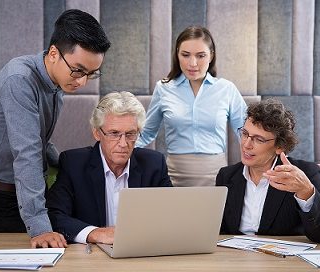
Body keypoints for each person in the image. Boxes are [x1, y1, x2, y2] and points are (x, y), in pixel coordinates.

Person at [0, 9, 111, 248]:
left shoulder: (56, 82)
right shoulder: (20, 80)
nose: (82, 82)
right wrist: (40, 227)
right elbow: (26, 154)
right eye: (78, 70)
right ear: (54, 53)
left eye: (91, 74)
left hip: (29, 193)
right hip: (2, 199)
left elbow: (40, 142)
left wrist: (71, 167)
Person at [46, 91, 172, 245]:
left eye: (131, 134)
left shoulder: (154, 164)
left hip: (140, 254)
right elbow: (54, 215)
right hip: (90, 258)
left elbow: (170, 217)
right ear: (97, 133)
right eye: (114, 133)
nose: (123, 143)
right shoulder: (73, 163)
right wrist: (95, 233)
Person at [136, 26, 246, 187]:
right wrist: (117, 151)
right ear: (177, 55)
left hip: (216, 176)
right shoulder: (164, 88)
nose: (192, 63)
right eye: (185, 55)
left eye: (201, 56)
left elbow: (245, 132)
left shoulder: (226, 89)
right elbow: (146, 133)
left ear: (211, 56)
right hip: (174, 175)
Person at [216, 99, 320, 242]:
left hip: (282, 262)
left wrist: (306, 192)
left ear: (280, 146)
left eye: (258, 139)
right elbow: (218, 232)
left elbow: (318, 235)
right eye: (245, 134)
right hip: (235, 259)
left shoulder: (306, 174)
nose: (246, 145)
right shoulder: (226, 176)